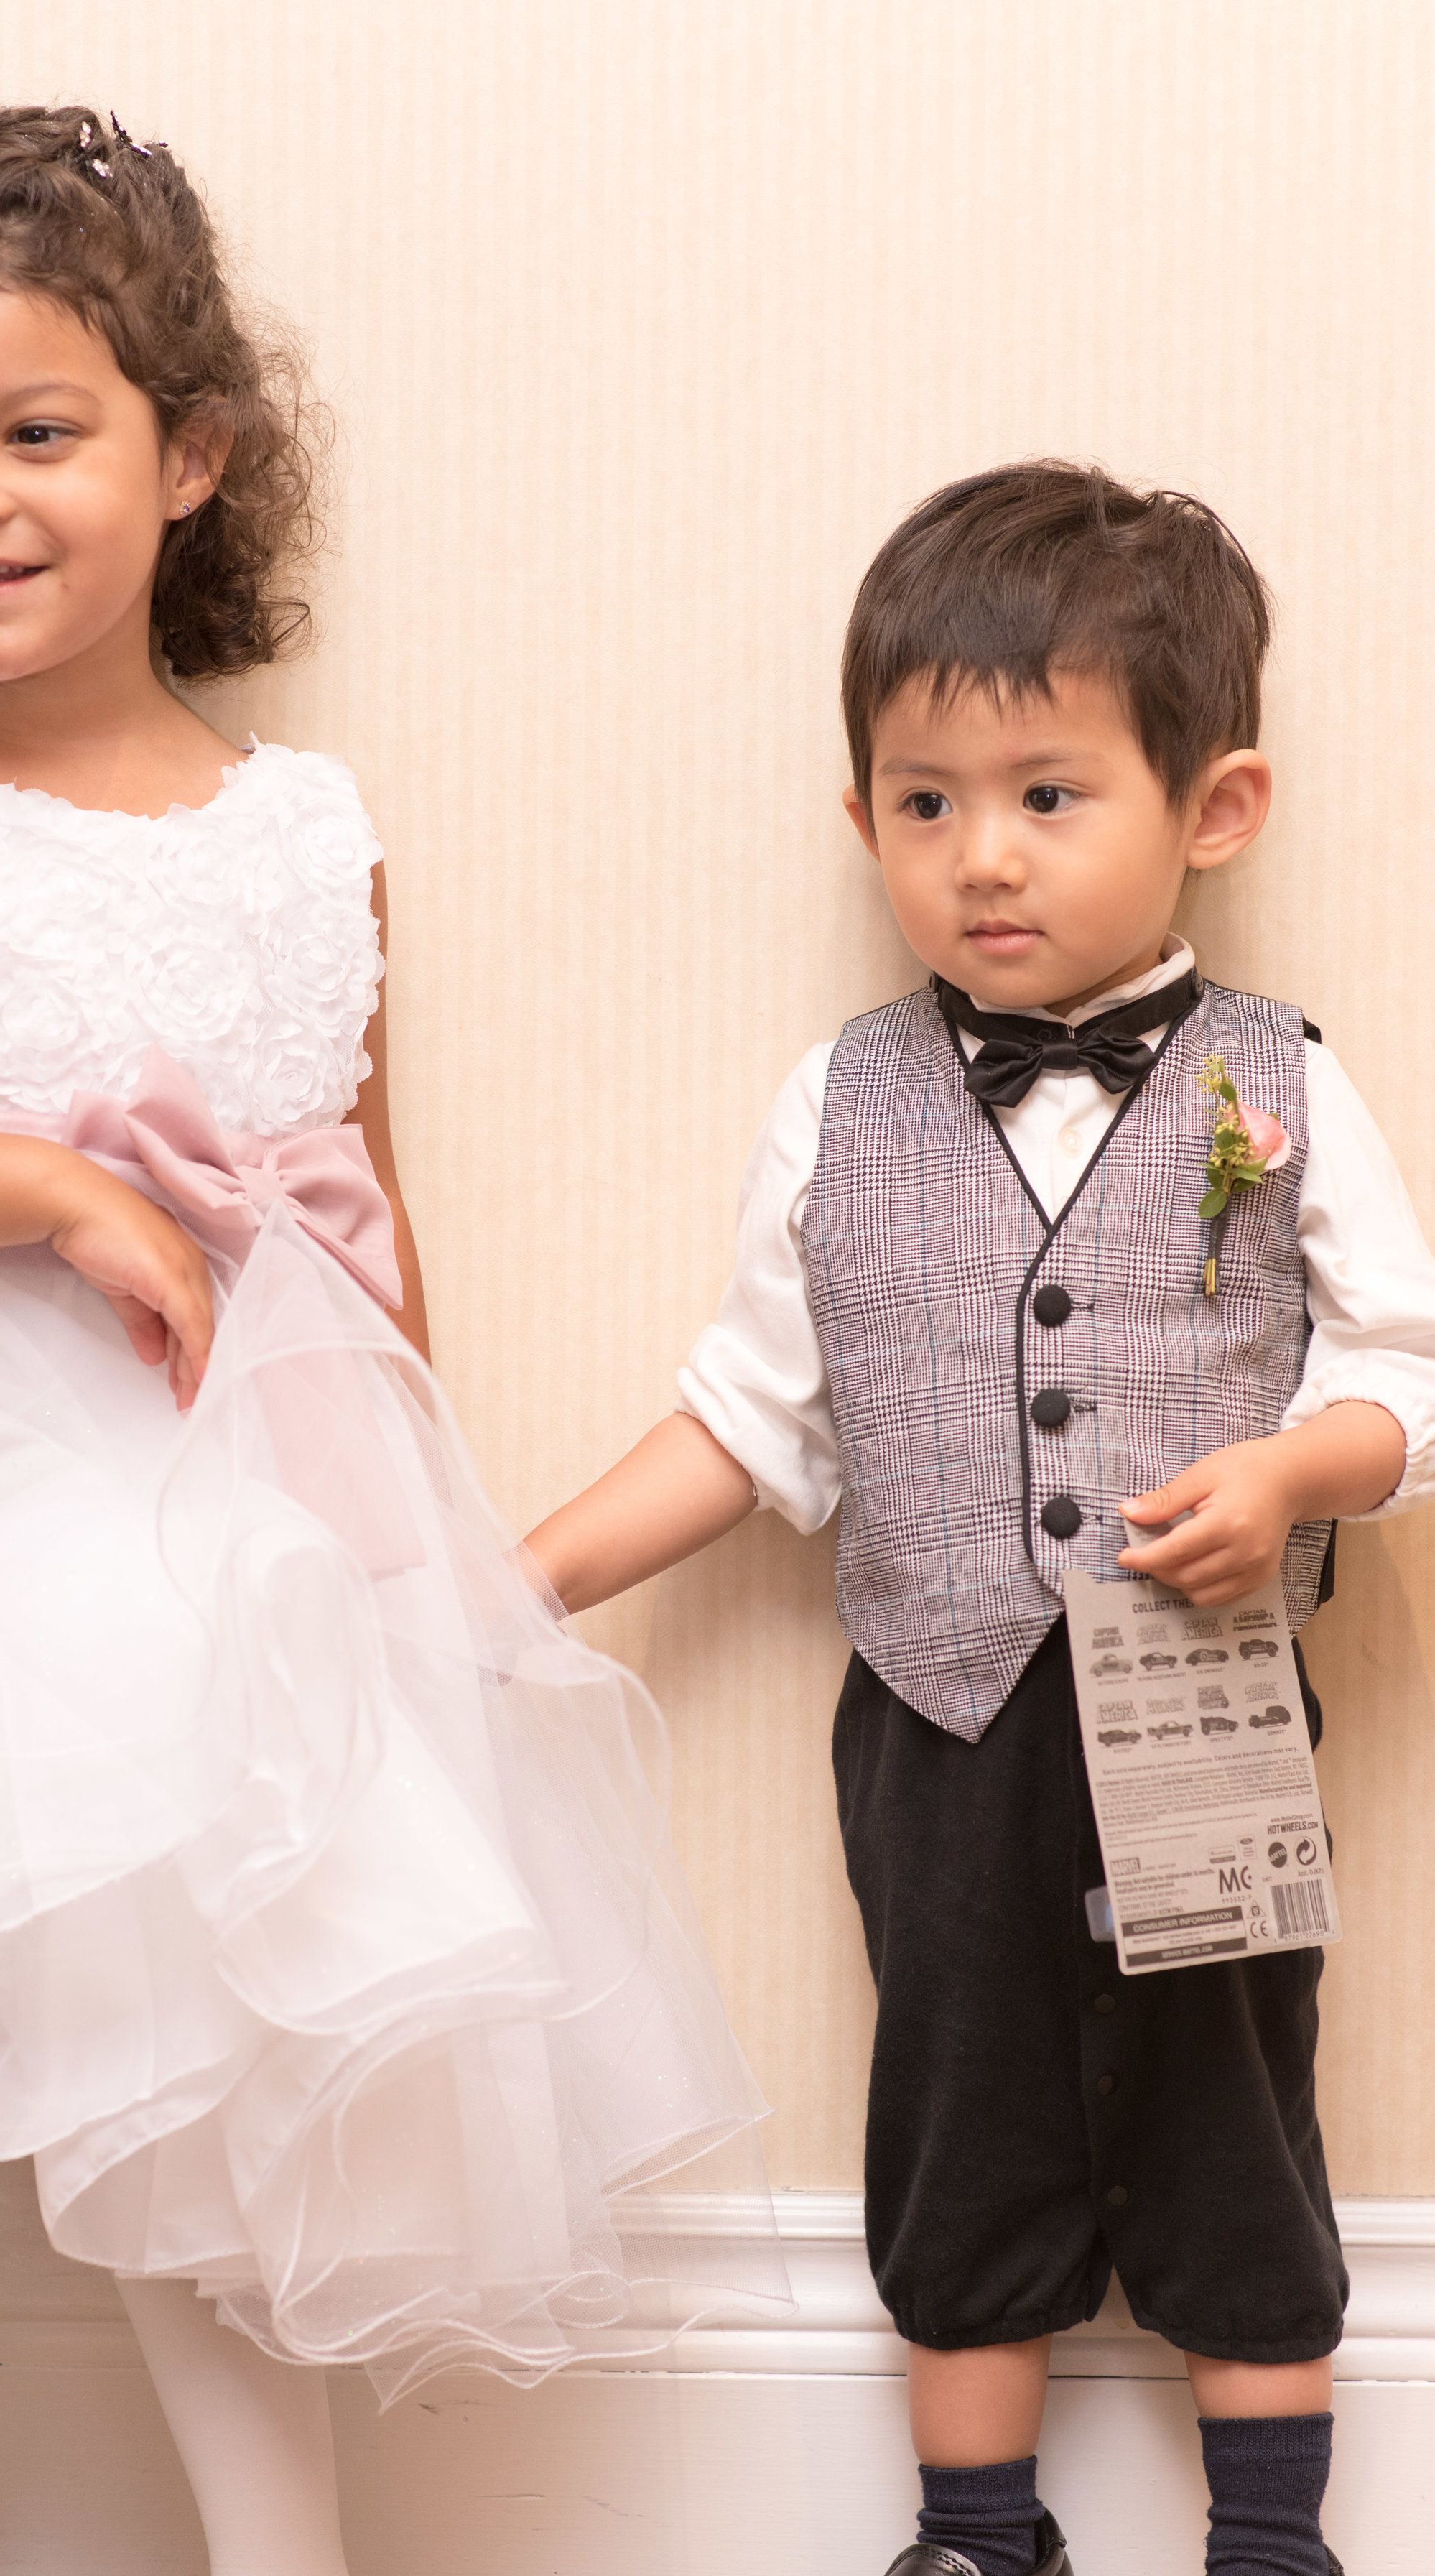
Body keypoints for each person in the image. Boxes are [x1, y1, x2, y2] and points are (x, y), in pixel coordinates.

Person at [0, 104, 770, 2576]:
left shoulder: (304, 827)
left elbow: (355, 1216)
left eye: (36, 431)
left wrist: (413, 1551)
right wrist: (53, 1186)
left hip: (214, 1519)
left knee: (232, 2030)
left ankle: (285, 2549)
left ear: (194, 456)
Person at [524, 463, 1435, 2576]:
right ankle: (971, 2531)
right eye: (922, 801)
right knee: (955, 2101)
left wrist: (1298, 1468)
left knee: (1234, 2098)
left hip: (1207, 1708)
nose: (980, 855)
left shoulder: (1280, 1079)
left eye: (1043, 793)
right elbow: (750, 1415)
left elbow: (1407, 1375)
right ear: (860, 824)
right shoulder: (827, 1101)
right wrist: (523, 1579)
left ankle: (1273, 2536)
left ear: (1210, 807)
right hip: (936, 1711)